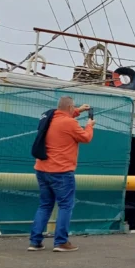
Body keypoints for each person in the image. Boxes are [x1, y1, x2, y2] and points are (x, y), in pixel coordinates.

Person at [28, 96, 94, 252]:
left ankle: (35, 241)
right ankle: (61, 242)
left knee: (45, 205)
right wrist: (90, 125)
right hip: (61, 171)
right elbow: (86, 138)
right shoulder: (70, 123)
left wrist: (78, 111)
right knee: (65, 206)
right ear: (70, 107)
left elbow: (64, 117)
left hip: (42, 168)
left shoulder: (49, 117)